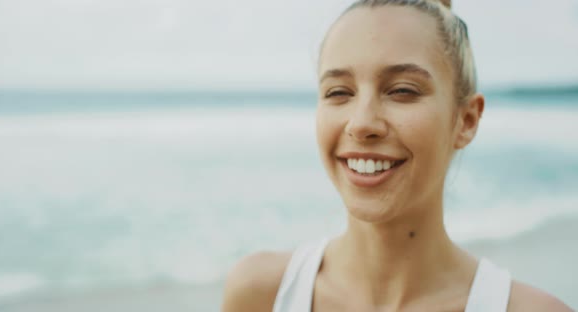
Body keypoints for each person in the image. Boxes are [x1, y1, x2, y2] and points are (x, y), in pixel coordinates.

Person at [222, 0, 573, 311]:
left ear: (466, 120)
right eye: (339, 92)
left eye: (402, 90)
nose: (361, 124)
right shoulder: (260, 294)